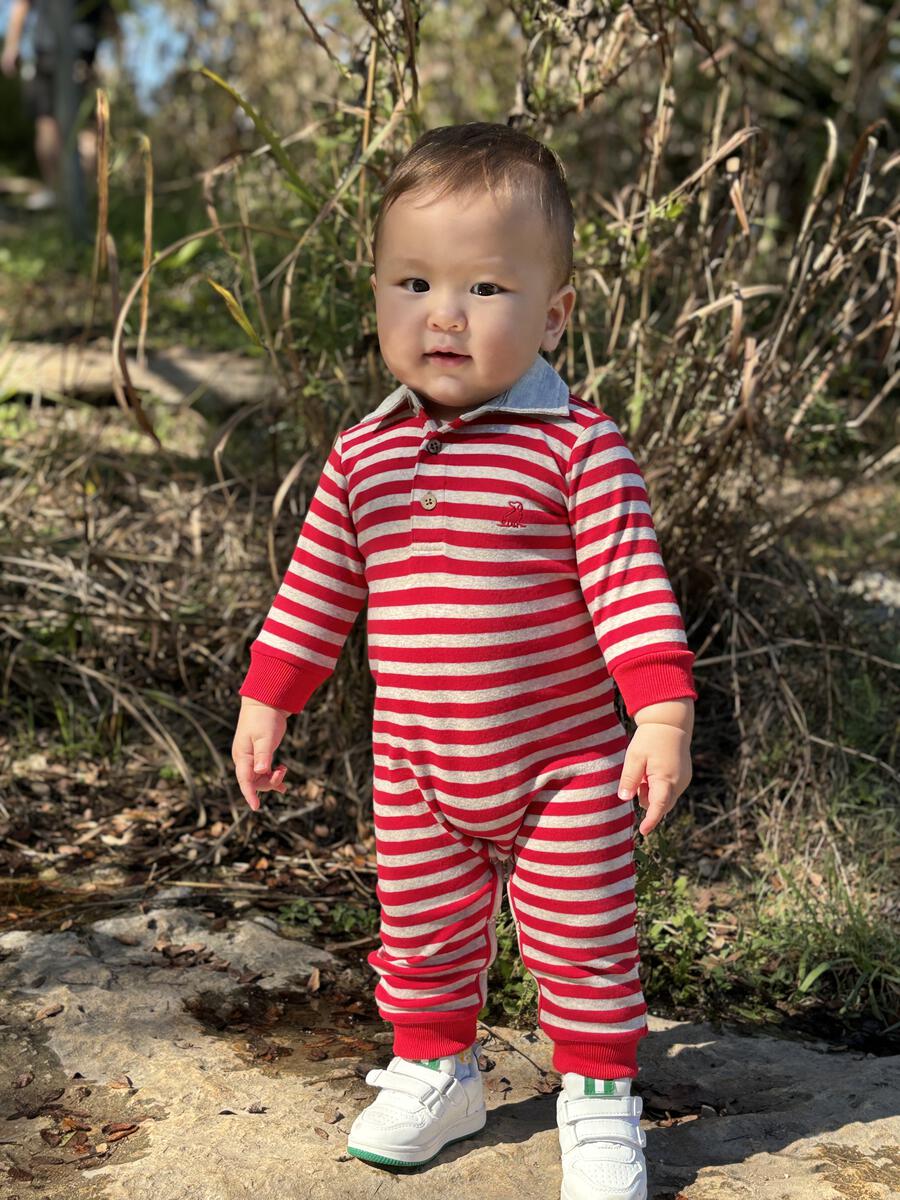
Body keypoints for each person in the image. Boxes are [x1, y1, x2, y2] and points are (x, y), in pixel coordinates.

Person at [232, 122, 697, 1200]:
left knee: (583, 936)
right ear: (380, 293)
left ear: (555, 313)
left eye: (486, 287)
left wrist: (660, 715)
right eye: (414, 281)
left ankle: (595, 1095)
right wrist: (269, 702)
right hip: (418, 769)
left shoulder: (578, 447)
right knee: (422, 934)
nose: (444, 313)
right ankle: (439, 1068)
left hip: (564, 768)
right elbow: (316, 595)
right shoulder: (364, 454)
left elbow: (630, 590)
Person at [1, 0, 115, 210]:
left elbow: (22, 5)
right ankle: (83, 196)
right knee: (82, 128)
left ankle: (61, 194)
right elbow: (111, 21)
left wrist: (11, 45)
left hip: (55, 54)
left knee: (49, 123)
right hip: (80, 58)